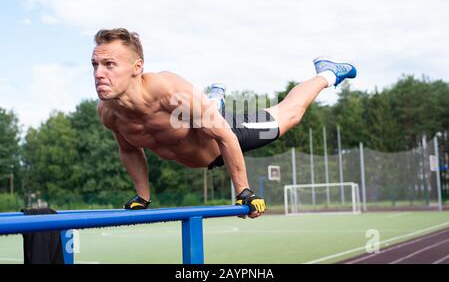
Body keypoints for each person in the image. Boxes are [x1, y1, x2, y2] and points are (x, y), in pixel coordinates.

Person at [93, 28, 357, 218]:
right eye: (94, 65)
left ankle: (328, 73)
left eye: (109, 64)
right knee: (204, 114)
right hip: (202, 130)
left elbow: (226, 137)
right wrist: (143, 196)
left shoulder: (168, 93)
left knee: (290, 115)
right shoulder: (109, 113)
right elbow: (129, 149)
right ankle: (213, 102)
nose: (98, 73)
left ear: (137, 67)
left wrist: (244, 192)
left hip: (227, 133)